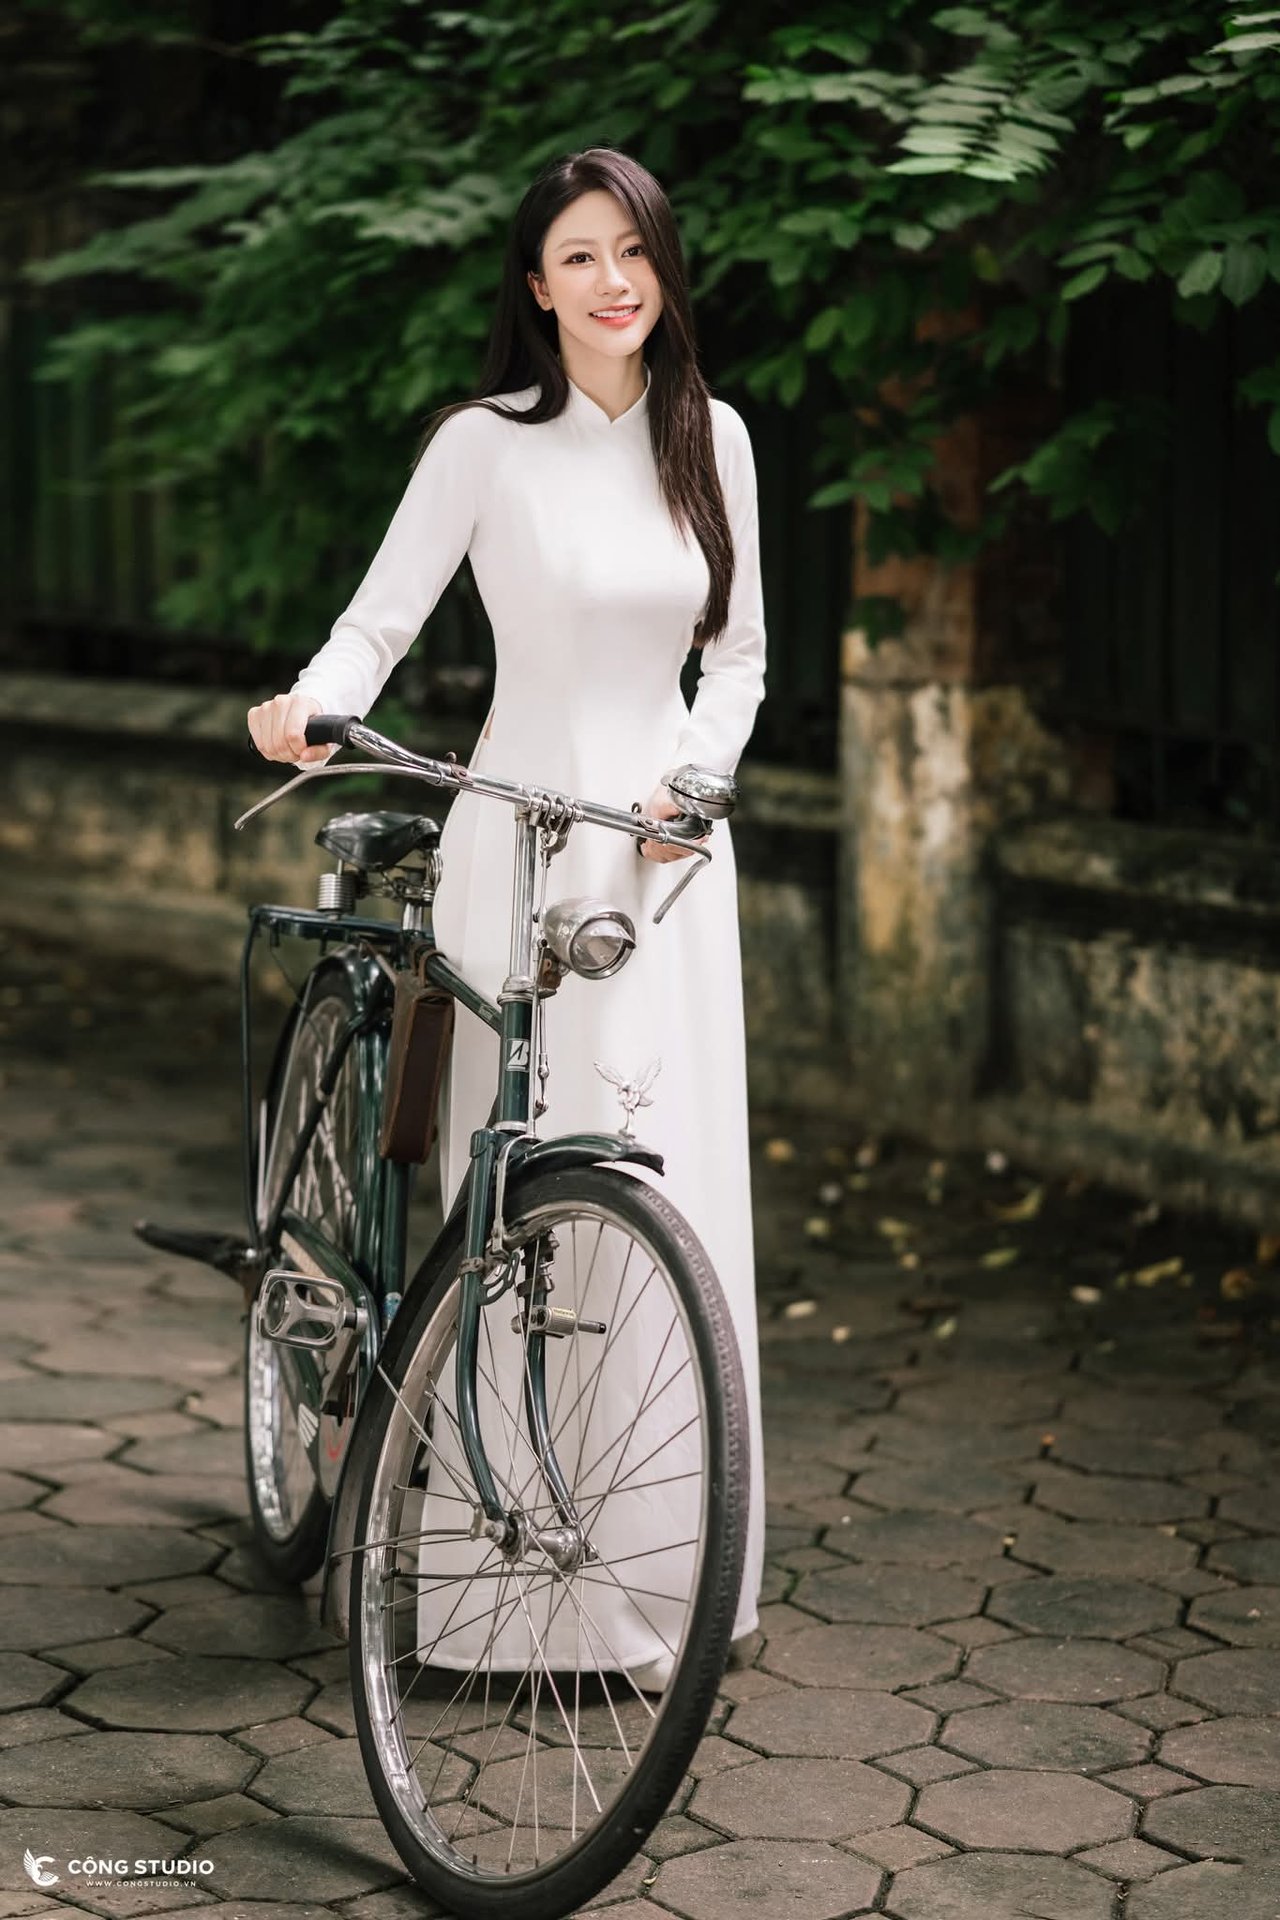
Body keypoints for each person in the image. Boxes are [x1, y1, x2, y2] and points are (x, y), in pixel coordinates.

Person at [247, 145, 766, 1691]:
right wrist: (310, 704)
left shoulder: (714, 437)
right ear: (536, 286)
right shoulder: (483, 444)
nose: (614, 281)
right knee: (512, 1195)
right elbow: (378, 622)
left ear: (662, 271)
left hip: (662, 857)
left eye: (635, 252)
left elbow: (738, 660)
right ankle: (505, 1588)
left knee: (667, 1178)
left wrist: (693, 785)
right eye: (580, 256)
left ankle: (669, 1586)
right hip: (518, 832)